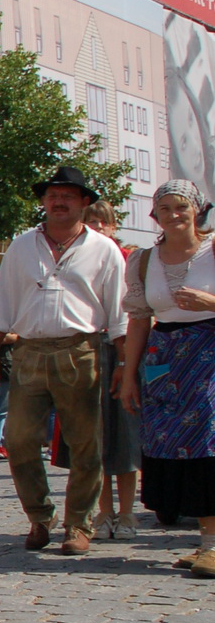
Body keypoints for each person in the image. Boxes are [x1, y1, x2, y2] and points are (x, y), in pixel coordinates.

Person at [0, 165, 126, 555]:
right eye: (51, 196)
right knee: (19, 438)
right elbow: (3, 304)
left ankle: (79, 524)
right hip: (28, 351)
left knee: (85, 444)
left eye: (67, 195)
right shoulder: (21, 246)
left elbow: (119, 314)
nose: (58, 201)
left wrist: (125, 365)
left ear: (84, 202)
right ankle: (40, 517)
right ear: (44, 202)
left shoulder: (104, 249)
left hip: (81, 350)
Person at [118, 181, 215, 574]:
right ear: (154, 215)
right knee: (171, 445)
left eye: (182, 207)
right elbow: (139, 319)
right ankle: (205, 538)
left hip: (209, 352)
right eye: (166, 208)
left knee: (208, 444)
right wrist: (129, 375)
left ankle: (211, 542)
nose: (174, 215)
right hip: (164, 356)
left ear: (196, 211)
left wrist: (212, 302)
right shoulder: (143, 260)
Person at [83, 200, 142, 539]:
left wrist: (126, 359)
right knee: (97, 437)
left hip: (125, 348)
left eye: (103, 222)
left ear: (113, 226)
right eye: (91, 221)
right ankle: (103, 511)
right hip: (92, 348)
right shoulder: (83, 256)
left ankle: (128, 512)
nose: (97, 227)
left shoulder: (128, 259)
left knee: (125, 433)